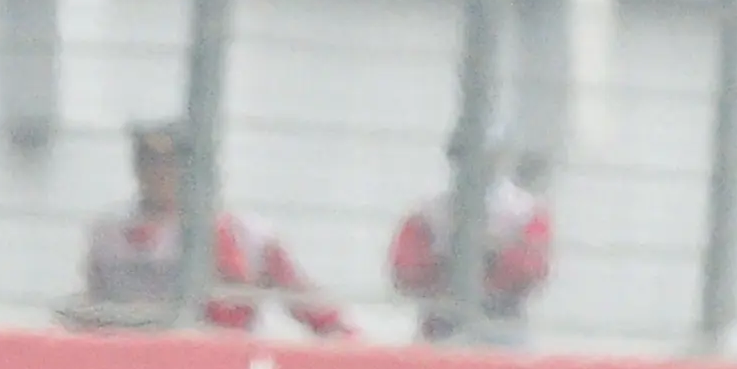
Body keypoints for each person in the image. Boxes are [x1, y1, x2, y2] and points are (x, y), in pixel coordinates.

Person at [67, 120, 352, 339]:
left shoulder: (243, 233)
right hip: (133, 357)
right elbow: (94, 302)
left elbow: (306, 301)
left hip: (215, 360)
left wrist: (344, 339)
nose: (157, 173)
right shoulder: (111, 233)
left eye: (169, 163)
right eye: (147, 160)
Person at [389, 161, 555, 342]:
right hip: (440, 323)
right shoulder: (430, 213)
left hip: (503, 322)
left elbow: (529, 270)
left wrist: (491, 260)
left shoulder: (523, 212)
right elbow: (407, 272)